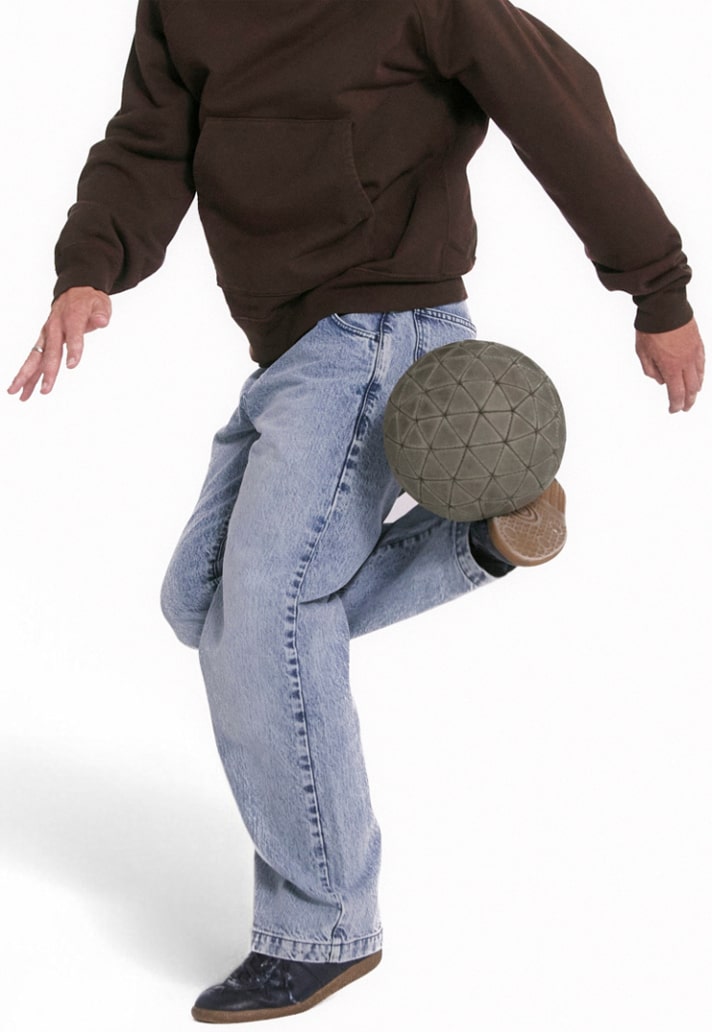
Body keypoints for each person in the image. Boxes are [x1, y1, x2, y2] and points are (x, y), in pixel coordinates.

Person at [7, 0, 705, 1023]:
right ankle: (475, 536)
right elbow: (148, 139)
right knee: (201, 602)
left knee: (264, 621)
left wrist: (657, 290)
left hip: (382, 328)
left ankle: (323, 927)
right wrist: (88, 268)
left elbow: (554, 99)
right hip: (292, 353)